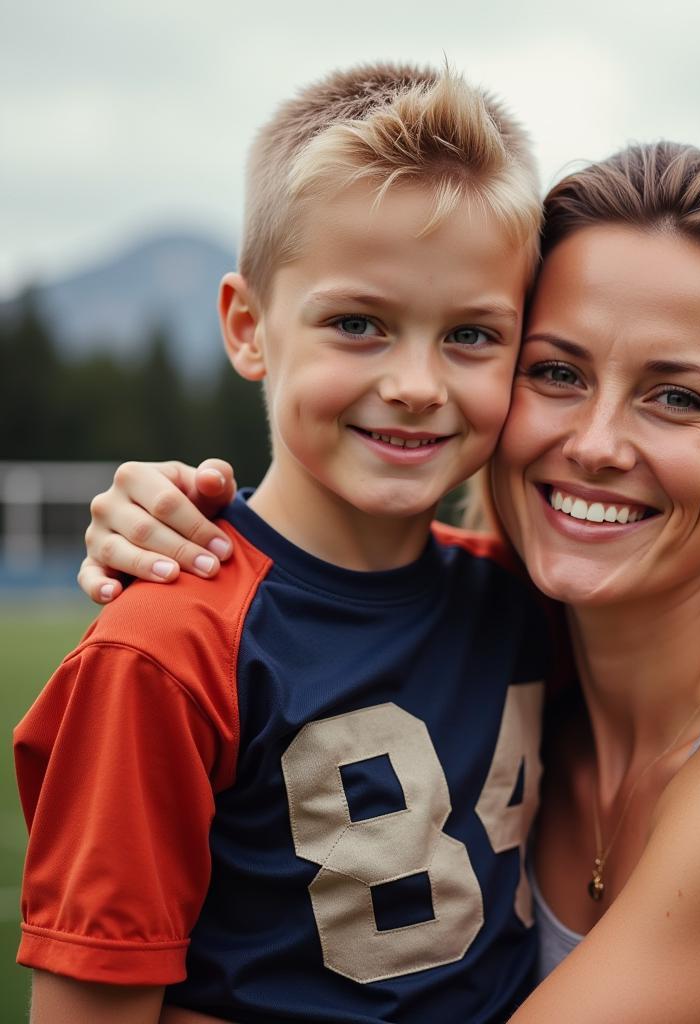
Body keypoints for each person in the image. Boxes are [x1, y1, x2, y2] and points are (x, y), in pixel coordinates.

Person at [77, 143, 700, 1023]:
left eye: (677, 397)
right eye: (556, 372)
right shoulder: (517, 675)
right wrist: (177, 530)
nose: (594, 443)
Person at [14, 63, 555, 1024]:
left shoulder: (526, 598)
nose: (419, 383)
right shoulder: (166, 649)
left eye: (473, 335)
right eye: (359, 324)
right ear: (249, 326)